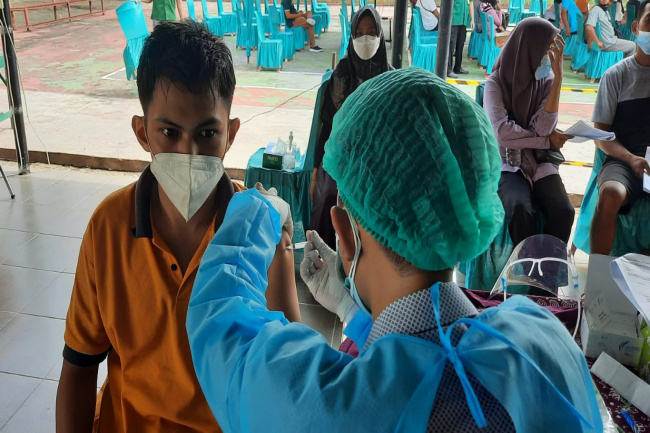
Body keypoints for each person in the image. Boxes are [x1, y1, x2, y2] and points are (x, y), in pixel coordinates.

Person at [186, 67, 602, 432]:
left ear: (344, 233)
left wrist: (259, 210)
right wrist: (354, 315)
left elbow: (219, 324)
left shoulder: (334, 410)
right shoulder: (546, 341)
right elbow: (430, 352)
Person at [55, 22, 300, 433]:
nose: (189, 153)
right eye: (169, 133)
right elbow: (79, 364)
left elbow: (289, 375)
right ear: (142, 132)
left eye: (207, 133)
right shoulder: (109, 227)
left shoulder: (256, 232)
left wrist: (280, 253)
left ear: (230, 134)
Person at [484, 18, 576, 248]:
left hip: (540, 162)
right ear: (528, 49)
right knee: (520, 209)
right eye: (546, 50)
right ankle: (525, 266)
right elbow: (502, 134)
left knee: (564, 211)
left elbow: (543, 128)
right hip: (506, 162)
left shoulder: (547, 80)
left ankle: (547, 269)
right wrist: (545, 141)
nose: (550, 58)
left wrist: (558, 79)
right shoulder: (496, 83)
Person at [310, 6, 392, 249]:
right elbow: (327, 129)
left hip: (376, 158)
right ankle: (323, 258)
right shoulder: (341, 77)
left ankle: (370, 263)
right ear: (352, 37)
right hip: (340, 155)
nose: (366, 38)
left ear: (380, 35)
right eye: (359, 33)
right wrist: (315, 173)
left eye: (371, 32)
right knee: (328, 196)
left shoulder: (390, 79)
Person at [590, 0, 650, 255]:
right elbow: (601, 135)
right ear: (636, 28)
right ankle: (598, 273)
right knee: (610, 195)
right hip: (624, 161)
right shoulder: (616, 76)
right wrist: (630, 158)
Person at [448, 0, 475, 78]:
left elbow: (471, 3)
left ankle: (458, 67)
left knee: (460, 44)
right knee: (451, 46)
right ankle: (448, 69)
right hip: (454, 21)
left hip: (463, 21)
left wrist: (472, 19)